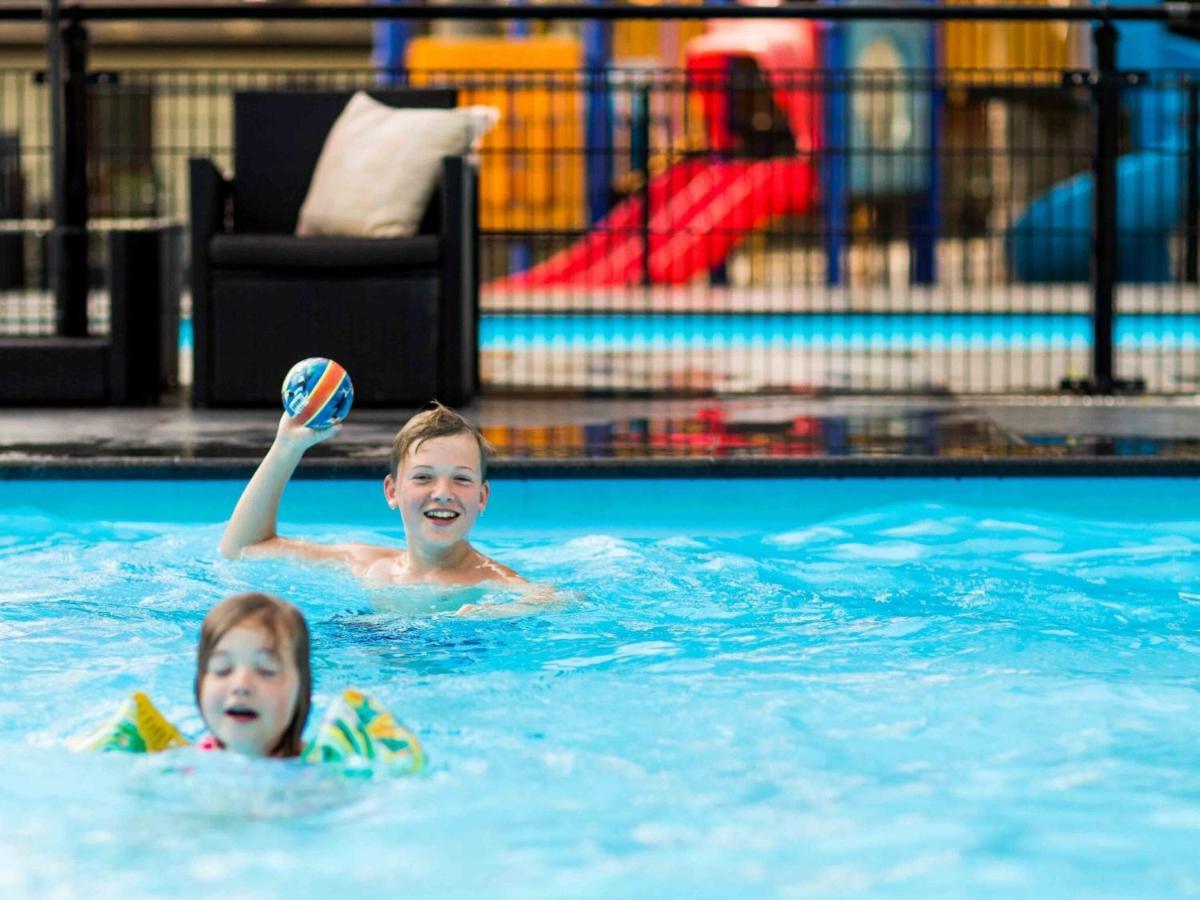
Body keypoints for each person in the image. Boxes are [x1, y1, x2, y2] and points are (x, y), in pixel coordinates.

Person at [220, 402, 526, 590]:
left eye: (461, 479)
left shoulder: (498, 586)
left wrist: (493, 612)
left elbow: (558, 605)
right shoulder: (366, 565)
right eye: (423, 477)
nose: (443, 493)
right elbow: (243, 548)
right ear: (392, 491)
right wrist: (286, 448)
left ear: (482, 496)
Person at [195, 591, 311, 758]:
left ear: (303, 691)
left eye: (267, 670)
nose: (241, 685)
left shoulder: (327, 770)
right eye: (222, 669)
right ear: (200, 686)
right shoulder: (184, 765)